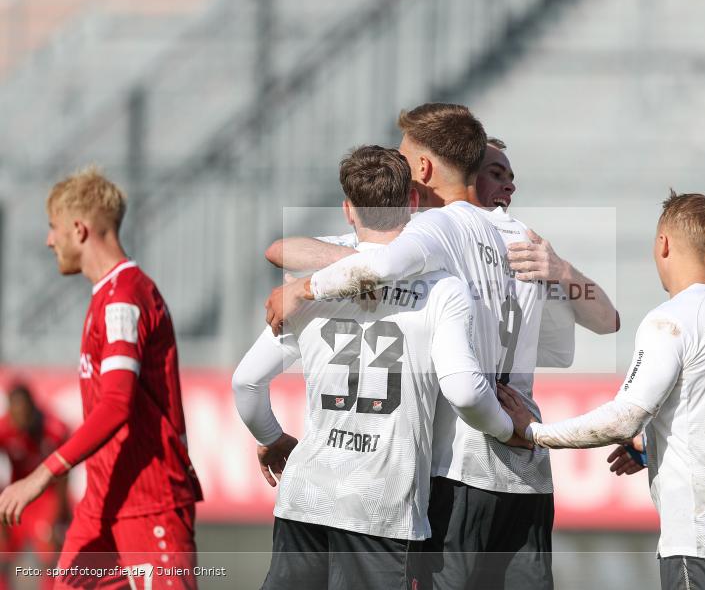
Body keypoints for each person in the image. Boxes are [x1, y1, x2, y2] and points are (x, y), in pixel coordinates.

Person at [264, 109, 617, 588]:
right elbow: (604, 322)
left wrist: (304, 289)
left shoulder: (438, 232)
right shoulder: (530, 245)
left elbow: (372, 263)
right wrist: (562, 272)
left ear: (424, 170)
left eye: (405, 158)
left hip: (462, 463)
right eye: (497, 171)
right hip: (527, 474)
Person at [233, 145, 523, 589]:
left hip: (305, 498)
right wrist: (509, 429)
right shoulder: (442, 288)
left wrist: (271, 439)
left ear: (348, 211)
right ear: (412, 203)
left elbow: (247, 383)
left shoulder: (308, 290)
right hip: (382, 508)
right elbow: (465, 392)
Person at [500, 191, 705, 590]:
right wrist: (656, 447)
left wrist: (534, 431)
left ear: (662, 244)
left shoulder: (672, 318)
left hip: (702, 534)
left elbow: (625, 416)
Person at [0, 168, 203, 589]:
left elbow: (115, 405)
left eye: (53, 228)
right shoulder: (107, 296)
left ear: (79, 228)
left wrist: (41, 475)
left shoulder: (125, 297)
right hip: (103, 500)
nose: (49, 240)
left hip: (151, 502)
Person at [0, 382, 69, 590]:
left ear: (32, 408)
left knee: (50, 556)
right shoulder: (5, 429)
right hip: (17, 497)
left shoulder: (54, 429)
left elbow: (64, 476)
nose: (19, 419)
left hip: (46, 498)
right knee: (4, 552)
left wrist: (61, 515)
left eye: (23, 412)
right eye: (15, 413)